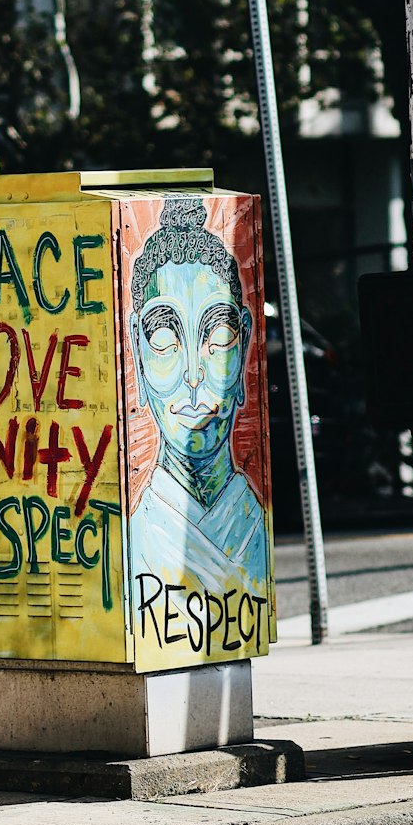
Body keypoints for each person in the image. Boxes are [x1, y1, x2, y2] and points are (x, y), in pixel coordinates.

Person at [129, 196, 268, 599]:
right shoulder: (140, 533)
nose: (194, 376)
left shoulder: (253, 522)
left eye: (219, 339)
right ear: (137, 352)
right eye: (164, 341)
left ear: (244, 344)